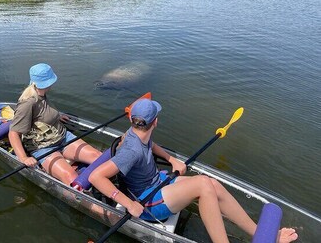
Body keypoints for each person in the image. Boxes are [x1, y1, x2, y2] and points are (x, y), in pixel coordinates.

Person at [89, 98, 298, 243]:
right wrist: (128, 204)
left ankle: (257, 232)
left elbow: (151, 145)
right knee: (203, 185)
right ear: (156, 122)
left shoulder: (137, 130)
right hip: (146, 201)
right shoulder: (131, 151)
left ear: (135, 120)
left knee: (211, 183)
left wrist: (171, 159)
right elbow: (95, 176)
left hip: (158, 181)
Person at [9, 63, 101, 185]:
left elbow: (43, 114)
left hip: (63, 137)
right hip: (43, 147)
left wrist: (57, 116)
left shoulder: (42, 93)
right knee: (72, 179)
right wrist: (24, 158)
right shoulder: (27, 103)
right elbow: (13, 133)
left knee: (98, 157)